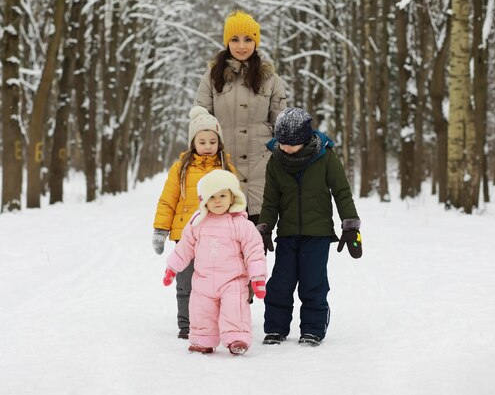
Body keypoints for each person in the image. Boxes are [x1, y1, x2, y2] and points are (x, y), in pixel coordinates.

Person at [255, 107, 363, 347]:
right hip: (287, 234)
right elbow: (270, 201)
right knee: (280, 283)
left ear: (304, 140)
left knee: (313, 282)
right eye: (281, 143)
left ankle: (313, 329)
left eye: (290, 144)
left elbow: (342, 192)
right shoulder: (276, 161)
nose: (284, 147)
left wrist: (350, 226)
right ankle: (275, 328)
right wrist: (264, 229)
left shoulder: (325, 157)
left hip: (318, 234)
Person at [194, 9, 287, 225]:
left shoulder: (271, 80)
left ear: (256, 42)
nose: (241, 45)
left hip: (261, 176)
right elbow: (200, 122)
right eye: (235, 39)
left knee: (254, 251)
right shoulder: (211, 78)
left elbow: (281, 127)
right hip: (222, 175)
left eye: (248, 39)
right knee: (223, 250)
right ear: (227, 42)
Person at [162, 170, 267, 355]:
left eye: (222, 195)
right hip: (203, 279)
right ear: (204, 200)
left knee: (235, 309)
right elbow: (185, 246)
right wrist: (172, 268)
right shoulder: (197, 223)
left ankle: (237, 339)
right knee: (202, 311)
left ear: (232, 197)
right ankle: (203, 340)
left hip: (232, 280)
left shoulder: (241, 224)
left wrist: (257, 277)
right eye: (212, 197)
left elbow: (254, 251)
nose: (217, 201)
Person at [152, 106, 235, 340]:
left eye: (212, 141)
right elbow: (168, 201)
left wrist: (239, 229)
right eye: (202, 141)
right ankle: (186, 325)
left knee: (214, 282)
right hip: (185, 236)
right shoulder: (181, 169)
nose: (208, 146)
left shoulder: (226, 168)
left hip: (217, 237)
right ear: (193, 143)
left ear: (219, 142)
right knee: (186, 282)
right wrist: (160, 229)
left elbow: (237, 201)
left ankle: (213, 323)